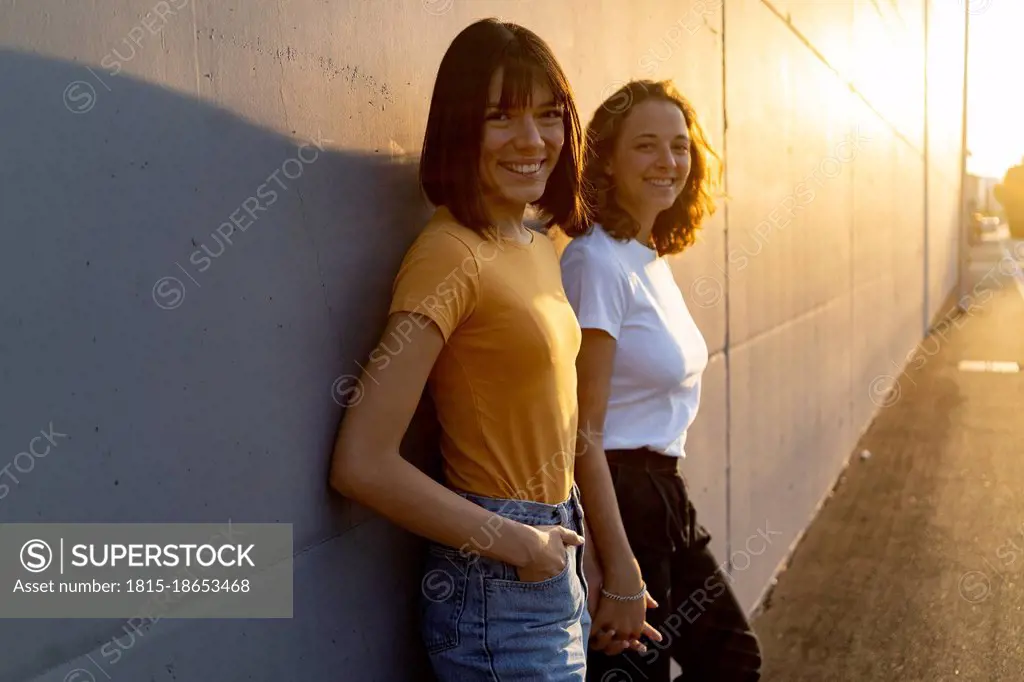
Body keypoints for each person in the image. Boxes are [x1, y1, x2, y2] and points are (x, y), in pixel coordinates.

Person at [328, 18, 646, 681]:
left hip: (551, 554)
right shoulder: (449, 255)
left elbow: (567, 427)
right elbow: (361, 462)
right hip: (496, 579)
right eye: (501, 117)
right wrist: (521, 544)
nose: (532, 141)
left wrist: (601, 556)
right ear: (458, 127)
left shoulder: (536, 243)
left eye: (549, 116)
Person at [560, 80, 763, 680]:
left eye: (679, 146)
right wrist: (615, 559)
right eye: (646, 146)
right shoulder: (595, 261)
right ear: (607, 161)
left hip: (665, 495)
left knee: (732, 660)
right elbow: (580, 431)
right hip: (620, 495)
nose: (668, 161)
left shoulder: (645, 259)